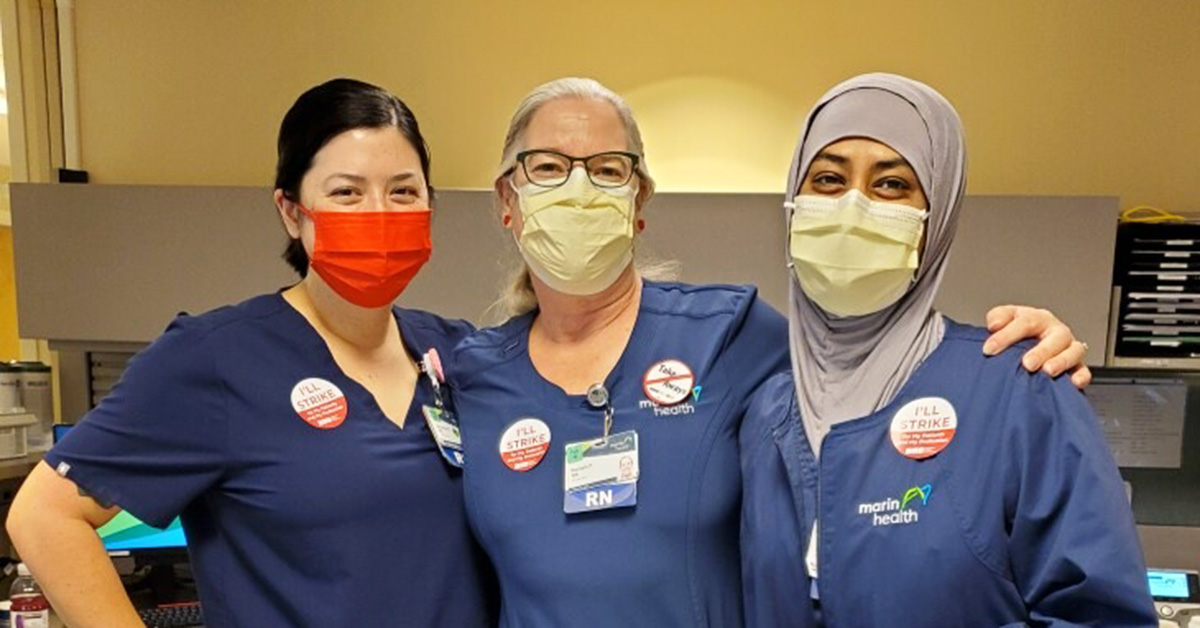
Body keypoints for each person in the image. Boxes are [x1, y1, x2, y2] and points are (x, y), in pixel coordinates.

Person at [449, 77, 1092, 627]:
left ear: (638, 201)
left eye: (609, 169)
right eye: (549, 168)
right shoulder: (469, 375)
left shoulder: (731, 334)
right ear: (507, 199)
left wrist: (1036, 358)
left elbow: (857, 360)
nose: (580, 189)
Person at [5, 79, 496, 628]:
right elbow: (45, 515)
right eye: (346, 193)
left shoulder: (456, 355)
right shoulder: (217, 359)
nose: (378, 213)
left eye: (403, 192)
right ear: (291, 211)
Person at [739, 73, 1156, 627]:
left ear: (936, 218)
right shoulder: (763, 410)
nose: (853, 207)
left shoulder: (1020, 387)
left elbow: (1102, 617)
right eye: (828, 179)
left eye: (891, 185)